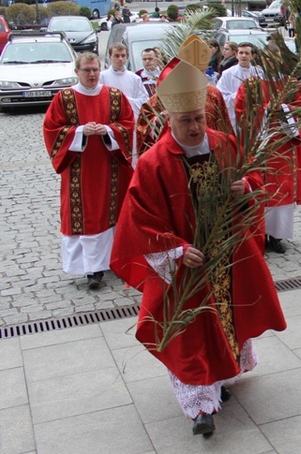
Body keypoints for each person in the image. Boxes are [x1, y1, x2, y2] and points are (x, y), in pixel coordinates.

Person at [110, 58, 287, 436]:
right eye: (184, 121)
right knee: (190, 331)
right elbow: (139, 219)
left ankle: (220, 379)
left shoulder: (224, 144)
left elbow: (254, 175)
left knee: (225, 317)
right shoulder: (155, 163)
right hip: (185, 264)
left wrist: (247, 186)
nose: (193, 128)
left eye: (198, 119)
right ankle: (200, 406)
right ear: (169, 121)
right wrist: (174, 249)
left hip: (227, 257)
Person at [43, 52, 135, 290]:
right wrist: (80, 132)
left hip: (111, 167)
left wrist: (108, 131)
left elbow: (128, 124)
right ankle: (91, 269)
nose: (92, 74)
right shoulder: (64, 98)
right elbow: (52, 129)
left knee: (113, 213)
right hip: (79, 171)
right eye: (87, 70)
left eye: (95, 69)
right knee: (87, 216)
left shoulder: (115, 96)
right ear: (77, 72)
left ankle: (115, 260)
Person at [235, 41, 301, 254]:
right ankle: (260, 233)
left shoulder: (292, 84)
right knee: (261, 190)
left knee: (282, 191)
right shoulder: (251, 84)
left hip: (284, 145)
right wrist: (265, 111)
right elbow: (241, 109)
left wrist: (285, 109)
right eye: (268, 60)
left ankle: (277, 236)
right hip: (260, 145)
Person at [136, 35, 233, 149]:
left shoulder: (214, 93)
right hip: (176, 150)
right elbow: (145, 119)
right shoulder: (170, 90)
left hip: (210, 150)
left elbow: (224, 126)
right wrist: (161, 120)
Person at [217, 42, 264, 131]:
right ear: (236, 55)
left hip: (254, 115)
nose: (243, 56)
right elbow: (220, 96)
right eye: (241, 53)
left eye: (247, 53)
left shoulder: (259, 73)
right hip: (234, 115)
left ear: (253, 56)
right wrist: (240, 95)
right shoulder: (227, 74)